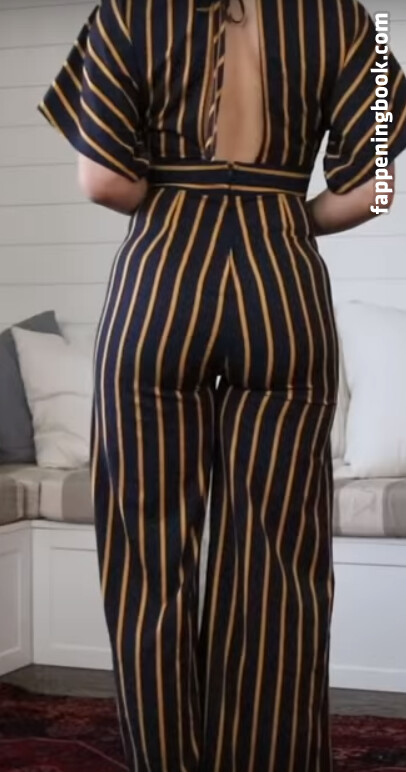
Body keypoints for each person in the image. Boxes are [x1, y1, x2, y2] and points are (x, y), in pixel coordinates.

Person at [38, 1, 406, 769]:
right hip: (284, 292)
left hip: (158, 292)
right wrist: (279, 218)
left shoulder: (129, 14)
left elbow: (102, 181)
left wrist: (183, 201)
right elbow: (374, 191)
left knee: (147, 557)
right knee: (281, 556)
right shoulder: (351, 22)